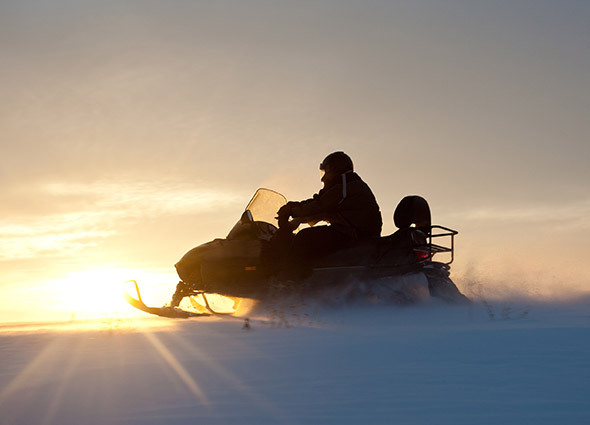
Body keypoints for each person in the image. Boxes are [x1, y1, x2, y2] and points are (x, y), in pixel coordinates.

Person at [274, 151, 382, 279]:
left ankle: (290, 282)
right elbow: (324, 210)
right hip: (356, 233)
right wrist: (298, 219)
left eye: (325, 172)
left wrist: (291, 210)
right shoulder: (347, 185)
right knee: (311, 239)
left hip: (354, 235)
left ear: (334, 169)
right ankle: (309, 278)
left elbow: (320, 204)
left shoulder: (345, 185)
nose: (323, 178)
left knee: (304, 237)